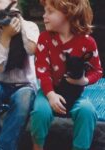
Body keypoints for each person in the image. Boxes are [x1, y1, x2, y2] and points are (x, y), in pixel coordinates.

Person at [30, 0, 103, 150]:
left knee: (87, 111)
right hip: (49, 92)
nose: (44, 16)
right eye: (45, 11)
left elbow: (97, 71)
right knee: (40, 112)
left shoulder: (87, 42)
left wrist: (84, 81)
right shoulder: (45, 39)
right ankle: (37, 146)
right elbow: (42, 71)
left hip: (74, 96)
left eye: (50, 11)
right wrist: (50, 95)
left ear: (69, 13)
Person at [0, 0, 39, 150]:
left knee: (24, 99)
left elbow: (32, 49)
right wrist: (5, 37)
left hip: (24, 85)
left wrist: (19, 21)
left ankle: (3, 146)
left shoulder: (30, 26)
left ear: (13, 2)